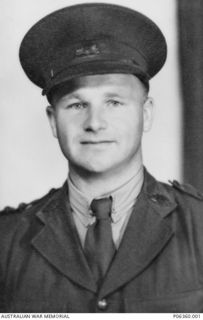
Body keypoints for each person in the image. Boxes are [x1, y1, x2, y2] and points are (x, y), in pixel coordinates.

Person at [1, 2, 203, 313]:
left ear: (146, 113)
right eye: (76, 105)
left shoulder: (198, 226)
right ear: (53, 121)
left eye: (114, 102)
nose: (95, 123)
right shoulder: (7, 240)